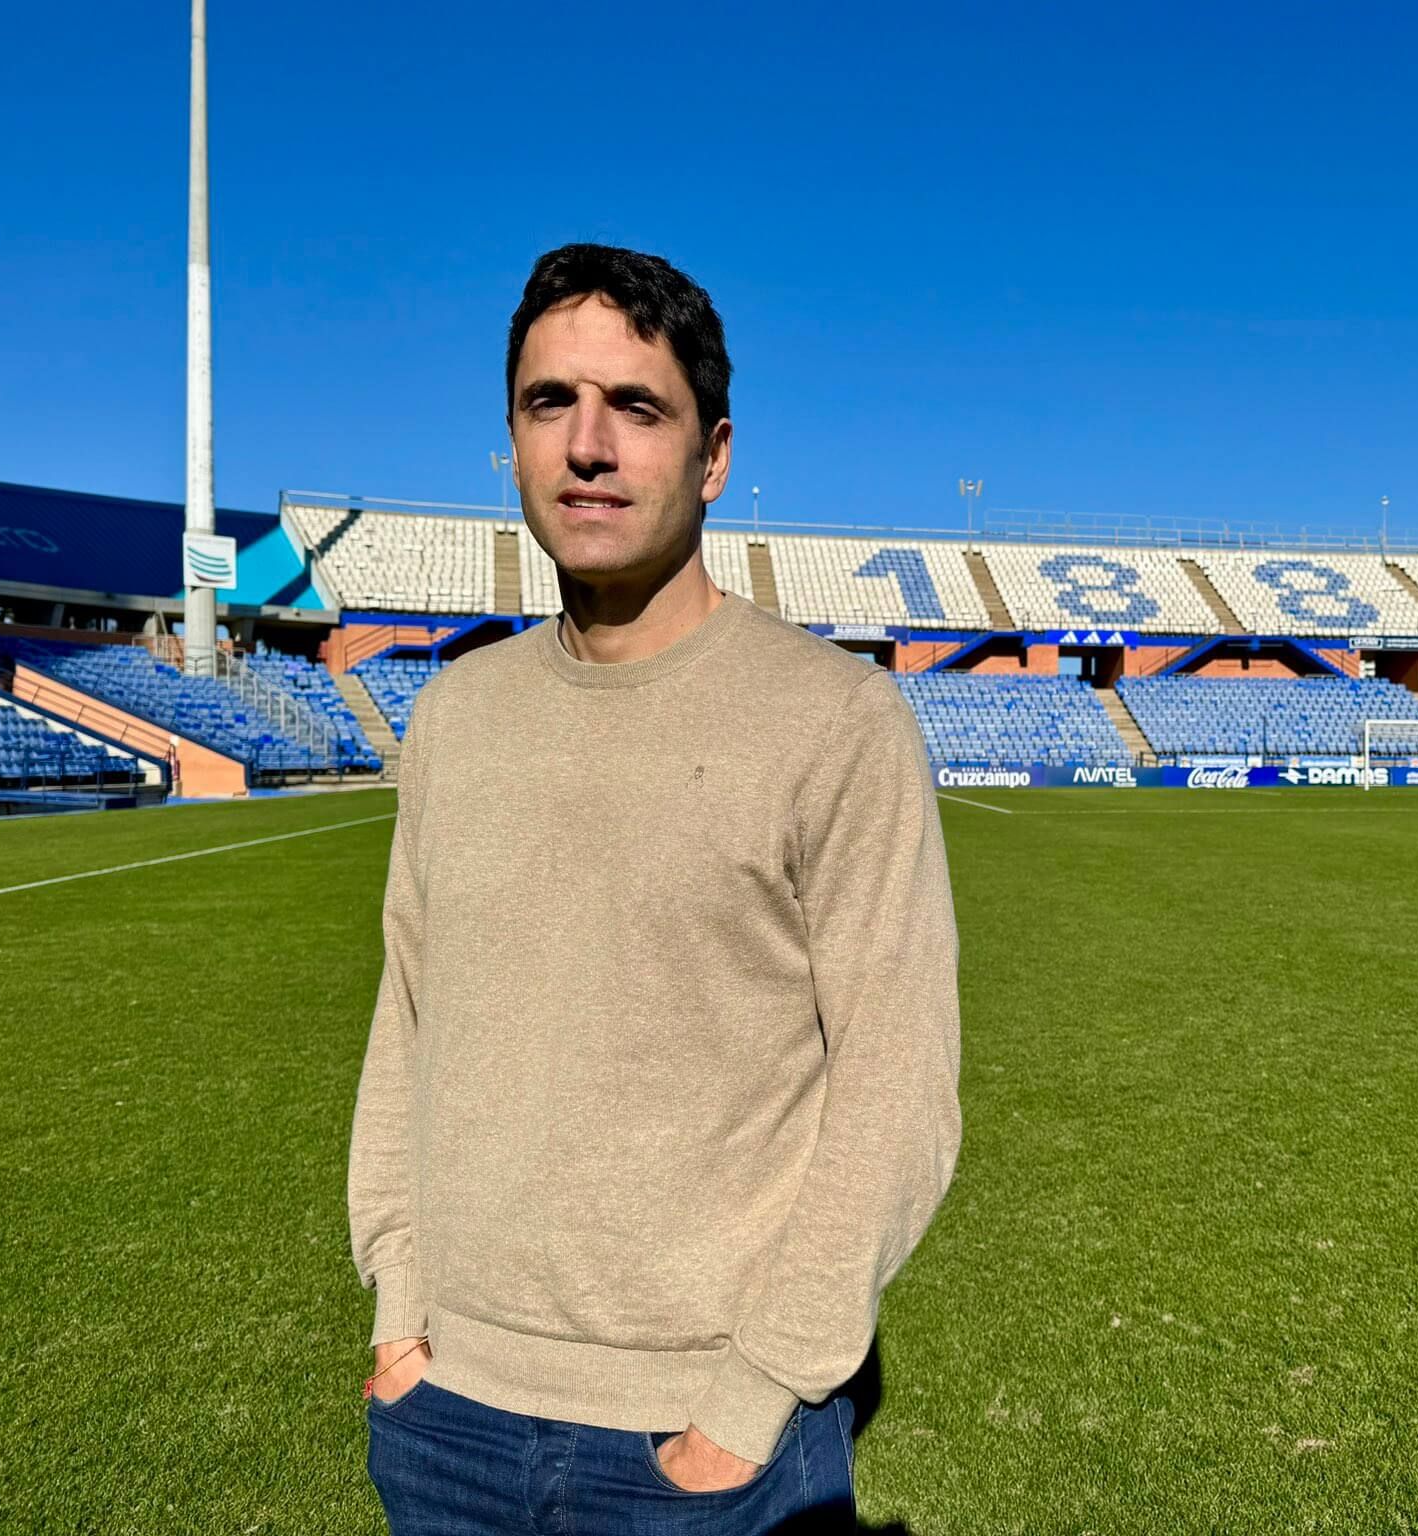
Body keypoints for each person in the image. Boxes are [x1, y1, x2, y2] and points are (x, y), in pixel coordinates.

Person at [347, 242, 963, 1533]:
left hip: (704, 1447)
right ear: (509, 441)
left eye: (637, 407)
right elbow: (406, 1020)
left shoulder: (834, 719)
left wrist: (748, 1402)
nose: (588, 445)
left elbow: (897, 1089)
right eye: (548, 403)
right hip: (444, 1412)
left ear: (713, 453)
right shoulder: (455, 716)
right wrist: (400, 1310)